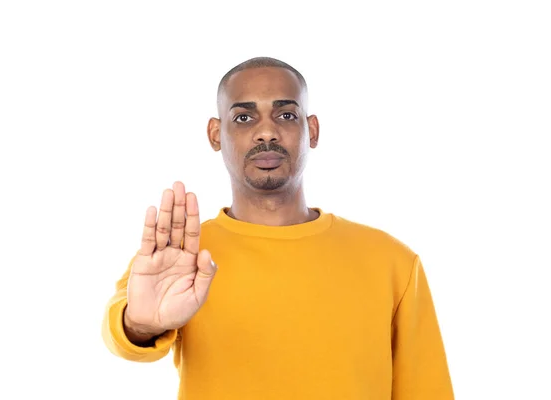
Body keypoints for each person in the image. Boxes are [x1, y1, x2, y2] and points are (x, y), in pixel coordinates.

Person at [101, 57, 454, 399]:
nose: (266, 131)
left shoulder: (391, 261)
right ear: (215, 134)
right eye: (243, 117)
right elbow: (123, 332)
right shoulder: (179, 255)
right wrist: (141, 325)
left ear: (311, 130)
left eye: (286, 115)